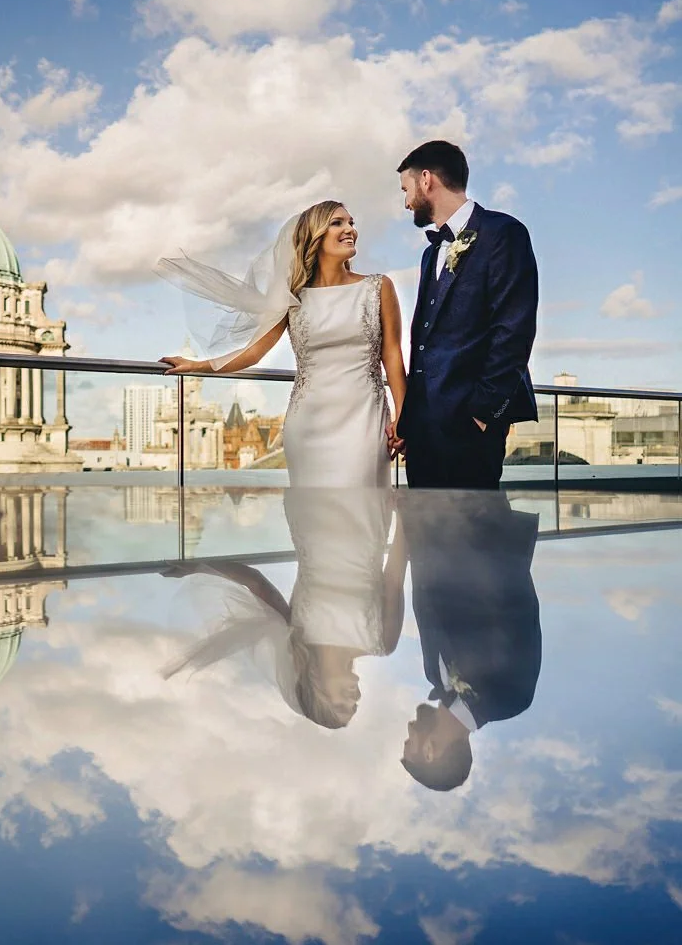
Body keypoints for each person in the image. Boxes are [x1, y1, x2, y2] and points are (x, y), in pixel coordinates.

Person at [158, 202, 406, 487]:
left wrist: (403, 415)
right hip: (308, 424)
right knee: (314, 518)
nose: (350, 229)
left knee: (364, 510)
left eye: (351, 222)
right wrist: (197, 366)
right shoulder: (293, 296)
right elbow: (254, 352)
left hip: (365, 417)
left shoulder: (378, 287)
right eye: (337, 223)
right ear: (315, 235)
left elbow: (392, 356)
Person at [162, 489, 406, 729]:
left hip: (312, 510)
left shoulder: (294, 634)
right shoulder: (383, 642)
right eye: (354, 707)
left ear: (317, 691)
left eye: (342, 705)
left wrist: (198, 567)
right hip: (368, 514)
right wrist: (405, 516)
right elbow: (393, 581)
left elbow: (255, 582)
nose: (354, 700)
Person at [396, 140, 539, 489]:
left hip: (471, 426)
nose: (405, 202)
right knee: (423, 535)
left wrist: (483, 414)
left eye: (406, 189)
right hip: (423, 431)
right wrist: (410, 423)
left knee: (473, 536)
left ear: (426, 179)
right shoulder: (430, 254)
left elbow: (514, 330)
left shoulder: (504, 233)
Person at [399, 490, 541, 791]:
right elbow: (517, 604)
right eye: (409, 744)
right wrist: (466, 515)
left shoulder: (433, 676)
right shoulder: (509, 699)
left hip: (429, 512)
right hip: (475, 510)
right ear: (430, 752)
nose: (409, 730)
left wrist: (415, 517)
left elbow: (427, 590)